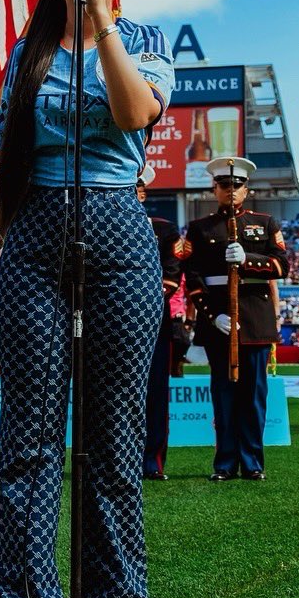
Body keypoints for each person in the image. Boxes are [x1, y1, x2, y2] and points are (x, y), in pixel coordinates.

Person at [0, 0, 176, 598]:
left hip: (119, 231)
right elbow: (8, 161)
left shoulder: (149, 44)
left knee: (113, 434)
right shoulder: (25, 55)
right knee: (28, 439)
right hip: (31, 238)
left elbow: (133, 114)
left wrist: (103, 27)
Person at [182, 157, 288, 480]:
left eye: (237, 185)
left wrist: (250, 259)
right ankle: (225, 463)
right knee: (224, 396)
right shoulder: (200, 229)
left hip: (255, 321)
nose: (231, 190)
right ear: (214, 188)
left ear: (247, 188)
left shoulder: (266, 223)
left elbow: (283, 265)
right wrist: (213, 317)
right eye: (225, 184)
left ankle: (253, 462)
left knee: (254, 397)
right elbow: (192, 276)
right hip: (219, 323)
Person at [138, 165, 186, 480]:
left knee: (154, 393)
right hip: (107, 322)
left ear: (142, 193)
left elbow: (172, 273)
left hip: (152, 321)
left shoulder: (165, 229)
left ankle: (151, 460)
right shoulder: (96, 225)